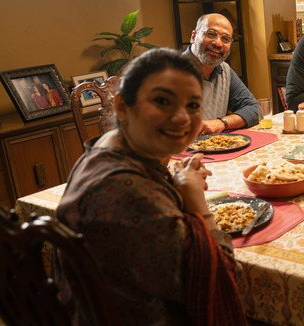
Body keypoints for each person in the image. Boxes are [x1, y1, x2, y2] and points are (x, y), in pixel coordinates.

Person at [53, 48, 246, 325]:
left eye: (193, 105)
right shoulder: (126, 191)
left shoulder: (103, 151)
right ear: (121, 107)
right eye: (162, 101)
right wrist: (196, 204)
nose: (181, 118)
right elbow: (225, 274)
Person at [185, 13, 262, 135]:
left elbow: (255, 109)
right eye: (211, 34)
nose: (218, 43)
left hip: (211, 149)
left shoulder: (224, 70)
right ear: (193, 37)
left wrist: (221, 123)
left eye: (225, 39)